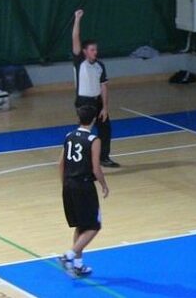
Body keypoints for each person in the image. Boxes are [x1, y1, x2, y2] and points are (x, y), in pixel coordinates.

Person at [58, 105, 109, 278]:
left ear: (78, 118)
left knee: (81, 225)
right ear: (94, 119)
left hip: (69, 185)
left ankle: (78, 265)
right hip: (84, 186)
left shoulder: (69, 136)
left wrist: (64, 184)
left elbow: (61, 163)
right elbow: (96, 168)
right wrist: (104, 184)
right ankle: (69, 255)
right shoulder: (94, 140)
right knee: (94, 225)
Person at [72, 9, 119, 167]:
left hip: (97, 101)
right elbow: (76, 38)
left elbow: (104, 86)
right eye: (92, 50)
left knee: (106, 129)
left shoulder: (100, 66)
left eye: (96, 49)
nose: (95, 52)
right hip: (84, 102)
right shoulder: (80, 62)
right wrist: (77, 19)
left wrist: (105, 107)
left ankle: (103, 157)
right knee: (84, 131)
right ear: (85, 52)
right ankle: (80, 159)